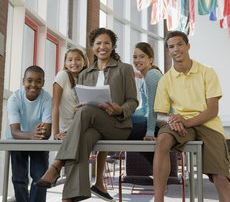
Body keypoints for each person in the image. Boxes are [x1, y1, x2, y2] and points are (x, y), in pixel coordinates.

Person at [35, 27, 138, 202]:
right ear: (92, 47)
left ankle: (57, 164)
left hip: (117, 126)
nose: (102, 47)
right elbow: (81, 104)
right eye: (98, 43)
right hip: (93, 126)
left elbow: (133, 101)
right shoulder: (84, 74)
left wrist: (119, 109)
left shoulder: (124, 69)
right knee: (83, 140)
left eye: (107, 43)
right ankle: (72, 196)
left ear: (113, 46)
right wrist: (80, 109)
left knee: (86, 110)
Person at [153, 30, 230, 202]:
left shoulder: (207, 72)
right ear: (168, 51)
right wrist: (171, 119)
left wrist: (186, 122)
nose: (176, 49)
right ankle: (158, 200)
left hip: (208, 125)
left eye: (180, 44)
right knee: (163, 139)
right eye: (171, 46)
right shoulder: (165, 80)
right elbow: (160, 116)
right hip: (180, 124)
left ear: (188, 46)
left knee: (222, 178)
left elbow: (212, 110)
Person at [53, 47, 113, 201]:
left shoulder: (88, 77)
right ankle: (72, 192)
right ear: (65, 63)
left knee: (103, 134)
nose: (74, 63)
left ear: (84, 61)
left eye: (78, 59)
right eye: (70, 60)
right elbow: (54, 105)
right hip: (68, 128)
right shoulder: (62, 76)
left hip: (84, 125)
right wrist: (56, 131)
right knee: (78, 148)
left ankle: (94, 183)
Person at [6, 65, 52, 202]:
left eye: (38, 81)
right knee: (19, 179)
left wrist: (35, 135)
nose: (34, 85)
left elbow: (47, 132)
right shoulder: (14, 99)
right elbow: (15, 132)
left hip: (39, 142)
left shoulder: (47, 99)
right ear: (23, 81)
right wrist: (32, 134)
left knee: (40, 178)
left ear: (43, 83)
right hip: (18, 142)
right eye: (30, 80)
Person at [131, 42, 162, 142]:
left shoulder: (152, 75)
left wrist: (150, 132)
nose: (137, 60)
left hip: (160, 123)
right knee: (123, 121)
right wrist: (126, 114)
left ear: (150, 59)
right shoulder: (142, 81)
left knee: (123, 126)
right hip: (151, 119)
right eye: (135, 57)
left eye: (142, 57)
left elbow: (152, 108)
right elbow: (144, 108)